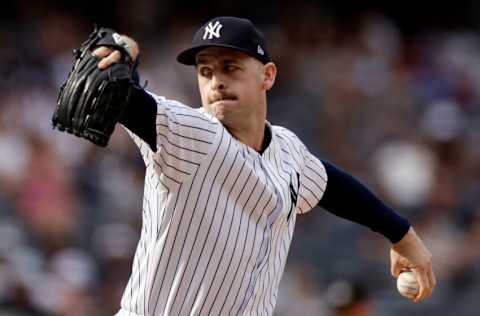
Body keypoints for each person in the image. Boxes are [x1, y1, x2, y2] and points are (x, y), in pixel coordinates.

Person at [91, 16, 435, 316]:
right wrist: (124, 54)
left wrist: (401, 235)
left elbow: (332, 185)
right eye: (206, 71)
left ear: (267, 75)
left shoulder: (287, 150)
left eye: (231, 67)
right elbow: (126, 98)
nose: (216, 82)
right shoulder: (191, 134)